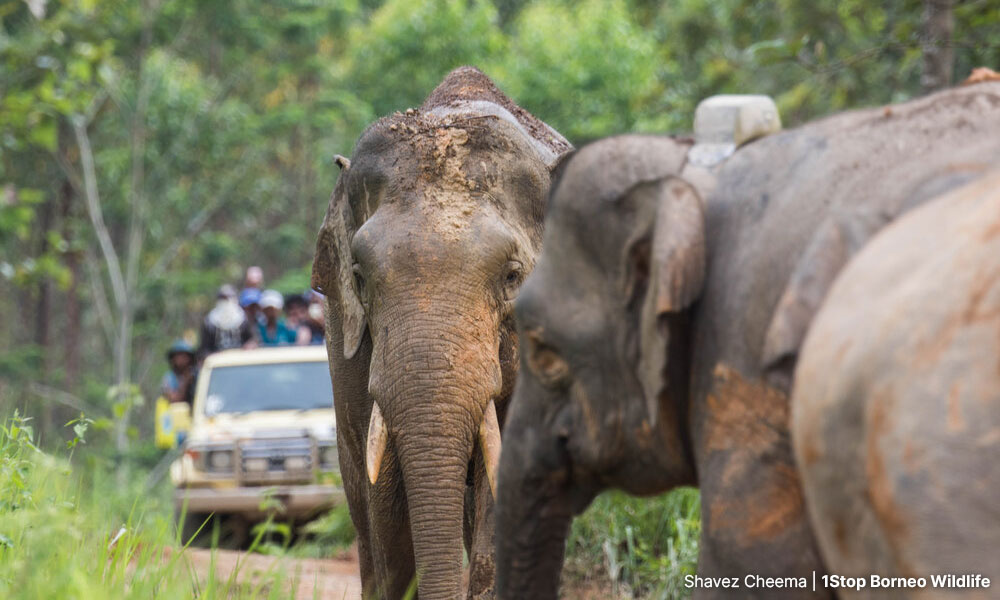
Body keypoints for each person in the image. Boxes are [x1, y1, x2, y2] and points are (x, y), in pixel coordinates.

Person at [198, 284, 255, 359]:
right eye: (223, 298)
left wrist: (249, 346)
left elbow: (252, 340)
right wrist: (211, 356)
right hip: (219, 363)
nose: (226, 301)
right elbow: (204, 348)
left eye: (228, 298)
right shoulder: (209, 322)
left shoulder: (243, 319)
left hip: (241, 361)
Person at [161, 340, 197, 406]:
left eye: (184, 356)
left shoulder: (196, 375)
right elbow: (174, 400)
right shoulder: (169, 378)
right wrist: (186, 382)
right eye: (178, 356)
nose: (181, 359)